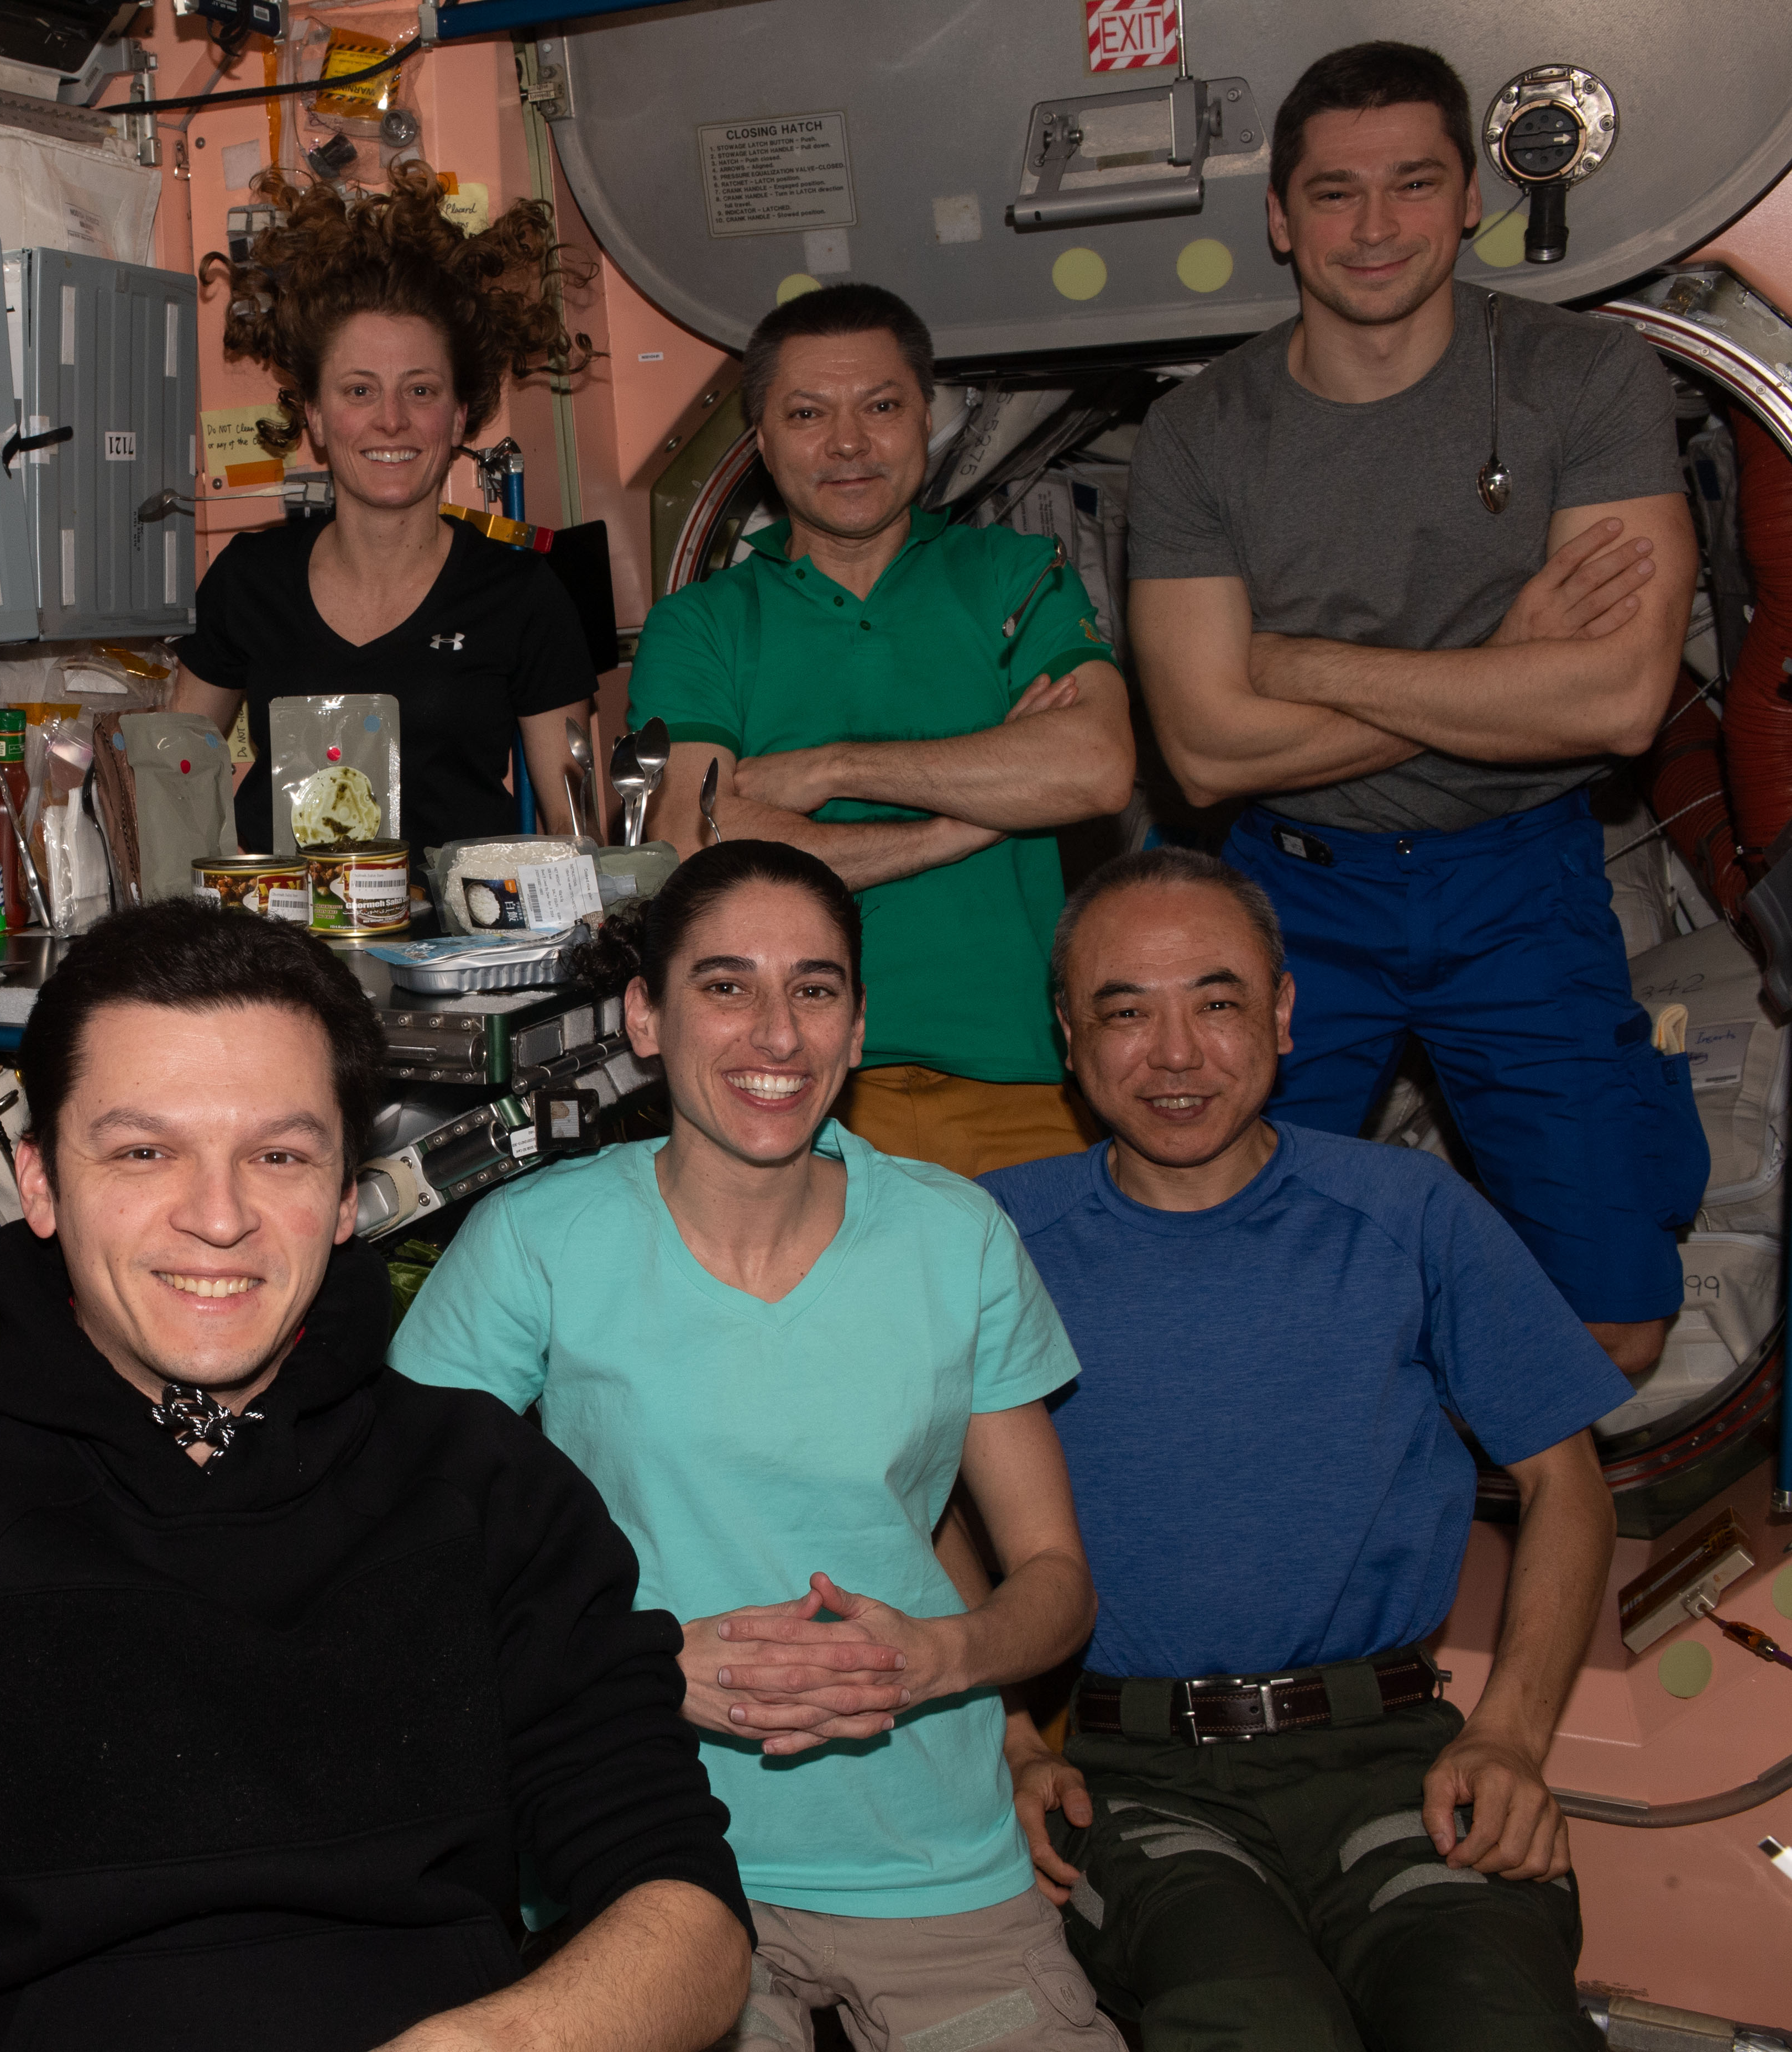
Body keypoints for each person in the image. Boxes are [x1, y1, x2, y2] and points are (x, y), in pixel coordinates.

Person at [0, 901, 752, 2052]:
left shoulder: (489, 1488)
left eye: (277, 1155)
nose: (218, 1217)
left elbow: (687, 1916)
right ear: (40, 1181)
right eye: (143, 1151)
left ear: (342, 1194)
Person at [393, 840, 1120, 2052]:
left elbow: (1056, 1583)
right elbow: (393, 1557)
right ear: (645, 1013)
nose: (776, 1034)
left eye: (816, 988)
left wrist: (940, 1659)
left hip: (931, 1860)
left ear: (858, 1020)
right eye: (726, 985)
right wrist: (638, 1665)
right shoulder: (536, 1243)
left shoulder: (957, 1238)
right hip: (646, 1855)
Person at [1124, 40, 1705, 1377]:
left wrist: (1301, 662)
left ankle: (1447, 1483)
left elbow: (1617, 703)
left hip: (1517, 880)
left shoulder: (1583, 384)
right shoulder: (1204, 432)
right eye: (1331, 193)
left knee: (1613, 1319)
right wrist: (1504, 657)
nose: (1371, 228)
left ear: (1468, 205)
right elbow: (1208, 749)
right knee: (1226, 1291)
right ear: (1278, 218)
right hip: (1290, 893)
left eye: (1410, 186)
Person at [982, 848, 1624, 2050]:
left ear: (1281, 1014)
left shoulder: (1412, 1215)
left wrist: (1511, 1734)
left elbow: (1564, 1480)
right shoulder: (992, 1236)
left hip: (1394, 1758)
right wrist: (1005, 1740)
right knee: (1257, 2019)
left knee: (1495, 2018)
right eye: (1126, 1010)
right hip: (1132, 1776)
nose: (1176, 1053)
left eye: (1217, 1002)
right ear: (1069, 1034)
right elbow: (913, 1507)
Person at [630, 283, 1134, 1179]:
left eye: (881, 406)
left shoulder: (1013, 574)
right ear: (761, 440)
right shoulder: (699, 624)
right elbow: (686, 842)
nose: (848, 442)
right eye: (806, 412)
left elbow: (1093, 767)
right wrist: (957, 825)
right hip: (781, 1086)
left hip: (1021, 1085)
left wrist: (828, 767)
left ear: (926, 418)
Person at [174, 161, 604, 856]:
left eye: (422, 391)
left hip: (457, 949)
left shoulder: (521, 595)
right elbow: (176, 778)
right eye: (360, 391)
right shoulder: (248, 580)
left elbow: (577, 829)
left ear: (461, 417)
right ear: (314, 415)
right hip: (280, 952)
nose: (393, 422)